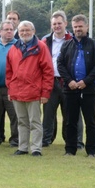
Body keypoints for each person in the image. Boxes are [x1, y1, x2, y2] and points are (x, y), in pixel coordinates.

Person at [57, 14, 95, 157]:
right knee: (70, 121)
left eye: (80, 26)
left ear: (86, 27)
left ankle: (92, 150)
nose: (78, 29)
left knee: (90, 121)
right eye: (75, 27)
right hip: (70, 88)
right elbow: (60, 64)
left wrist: (86, 81)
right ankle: (70, 149)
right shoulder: (66, 45)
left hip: (88, 89)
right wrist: (69, 81)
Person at [6, 21, 54, 157]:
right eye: (22, 31)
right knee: (21, 121)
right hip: (17, 91)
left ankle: (36, 148)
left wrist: (45, 92)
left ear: (33, 31)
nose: (24, 33)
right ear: (18, 32)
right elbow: (9, 71)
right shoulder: (14, 48)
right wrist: (10, 88)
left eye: (27, 30)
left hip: (33, 91)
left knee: (35, 122)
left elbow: (48, 71)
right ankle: (23, 147)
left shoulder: (41, 47)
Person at [41, 10, 71, 148]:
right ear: (51, 25)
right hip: (50, 81)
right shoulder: (45, 41)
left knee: (70, 113)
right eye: (54, 24)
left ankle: (73, 140)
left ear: (65, 23)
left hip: (68, 82)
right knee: (48, 114)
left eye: (60, 23)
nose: (57, 26)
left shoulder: (72, 39)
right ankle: (46, 140)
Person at [0, 20, 19, 147]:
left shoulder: (18, 45)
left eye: (11, 29)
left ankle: (15, 140)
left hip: (11, 87)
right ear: (0, 31)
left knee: (15, 116)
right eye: (6, 29)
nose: (9, 32)